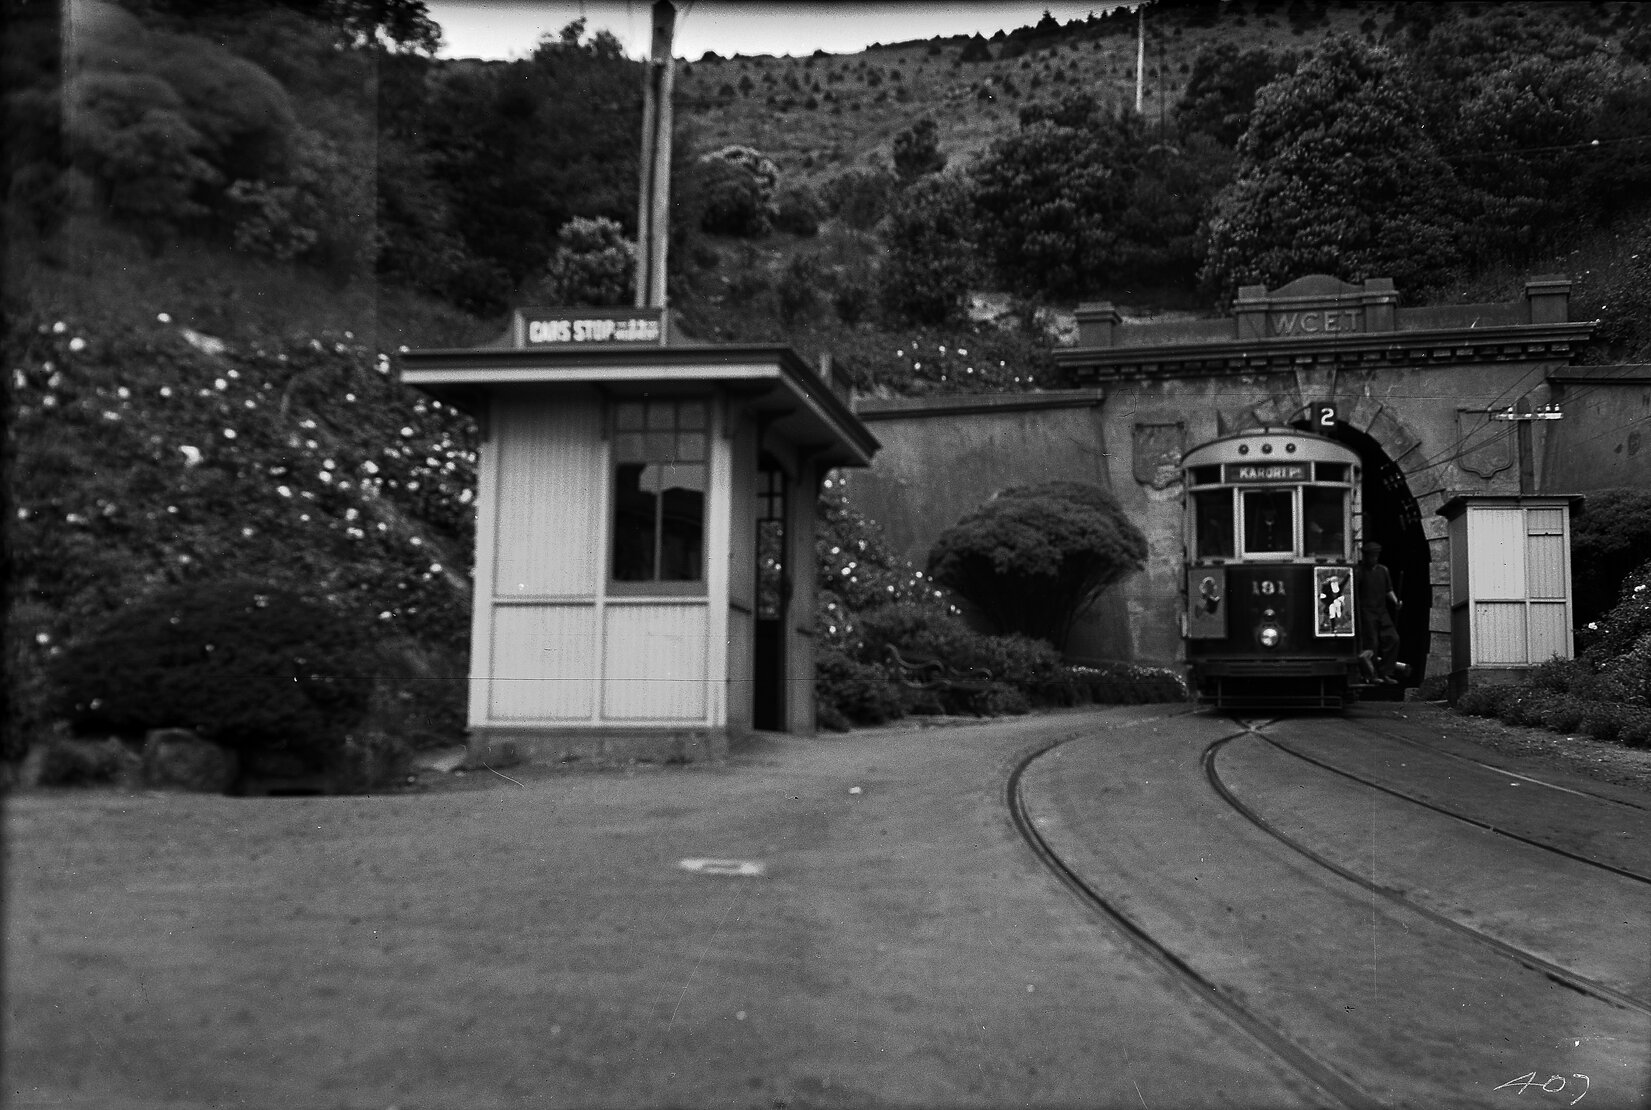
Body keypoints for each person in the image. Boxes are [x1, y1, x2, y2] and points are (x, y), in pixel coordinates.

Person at [1357, 540, 1402, 683]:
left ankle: (1385, 671)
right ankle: (1373, 674)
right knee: (1372, 645)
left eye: (1374, 556)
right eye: (1370, 556)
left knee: (1393, 639)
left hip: (1382, 611)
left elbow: (1388, 590)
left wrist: (1396, 602)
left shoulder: (1383, 570)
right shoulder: (1360, 572)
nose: (1372, 559)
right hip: (1367, 612)